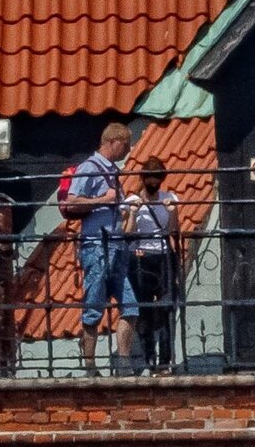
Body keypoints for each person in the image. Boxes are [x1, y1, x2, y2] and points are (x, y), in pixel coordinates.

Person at [66, 122, 138, 376]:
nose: (128, 150)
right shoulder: (89, 168)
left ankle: (124, 363)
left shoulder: (113, 173)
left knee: (130, 306)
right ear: (112, 142)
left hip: (117, 247)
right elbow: (71, 203)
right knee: (94, 304)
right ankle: (90, 365)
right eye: (125, 145)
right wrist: (102, 201)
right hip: (96, 245)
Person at [124, 156, 179, 376]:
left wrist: (173, 212)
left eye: (158, 179)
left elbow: (173, 231)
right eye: (150, 178)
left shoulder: (170, 198)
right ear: (144, 179)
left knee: (165, 308)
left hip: (163, 256)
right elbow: (127, 233)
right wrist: (134, 213)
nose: (154, 183)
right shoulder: (131, 200)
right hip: (141, 256)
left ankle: (165, 361)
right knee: (144, 310)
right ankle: (149, 360)